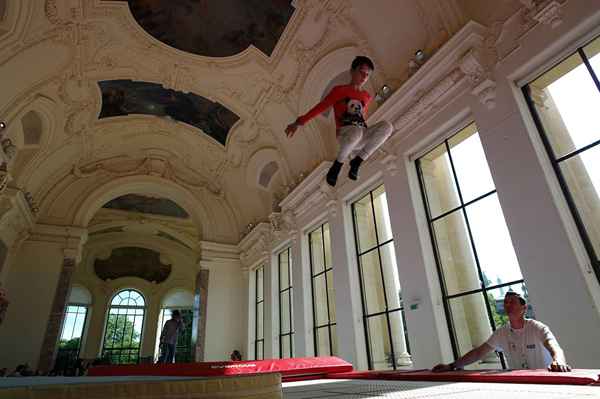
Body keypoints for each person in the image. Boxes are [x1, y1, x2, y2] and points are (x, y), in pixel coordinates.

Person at [285, 56, 393, 187]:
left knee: (387, 126)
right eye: (361, 72)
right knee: (356, 131)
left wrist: (365, 138)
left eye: (367, 75)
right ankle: (337, 165)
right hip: (345, 134)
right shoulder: (340, 91)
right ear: (352, 71)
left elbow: (361, 118)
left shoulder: (366, 97)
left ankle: (357, 161)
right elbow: (320, 108)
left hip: (360, 135)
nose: (364, 77)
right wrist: (298, 123)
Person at [432, 291, 571, 373]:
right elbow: (478, 352)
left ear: (524, 308)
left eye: (512, 302)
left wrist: (558, 361)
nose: (508, 305)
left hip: (546, 382)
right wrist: (451, 366)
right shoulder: (501, 333)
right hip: (521, 385)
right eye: (506, 302)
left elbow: (554, 347)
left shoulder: (537, 327)